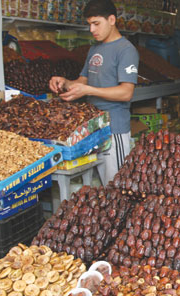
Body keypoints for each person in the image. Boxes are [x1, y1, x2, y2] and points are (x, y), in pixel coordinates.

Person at [49, 0, 138, 183]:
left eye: (96, 23)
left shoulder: (126, 50)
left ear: (111, 19)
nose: (91, 29)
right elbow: (83, 81)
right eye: (89, 24)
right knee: (96, 192)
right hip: (92, 129)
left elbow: (126, 92)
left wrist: (88, 90)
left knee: (116, 186)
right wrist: (65, 82)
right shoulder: (94, 49)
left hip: (115, 131)